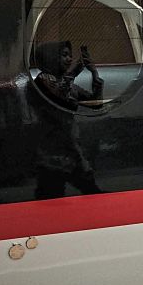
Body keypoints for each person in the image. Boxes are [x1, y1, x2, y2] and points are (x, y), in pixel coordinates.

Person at [30, 40, 104, 199]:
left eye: (70, 55)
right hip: (51, 156)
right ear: (50, 58)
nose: (69, 59)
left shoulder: (66, 83)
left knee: (91, 194)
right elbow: (57, 96)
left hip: (70, 152)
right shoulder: (42, 81)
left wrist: (94, 74)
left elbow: (95, 104)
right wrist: (76, 70)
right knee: (51, 199)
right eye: (64, 55)